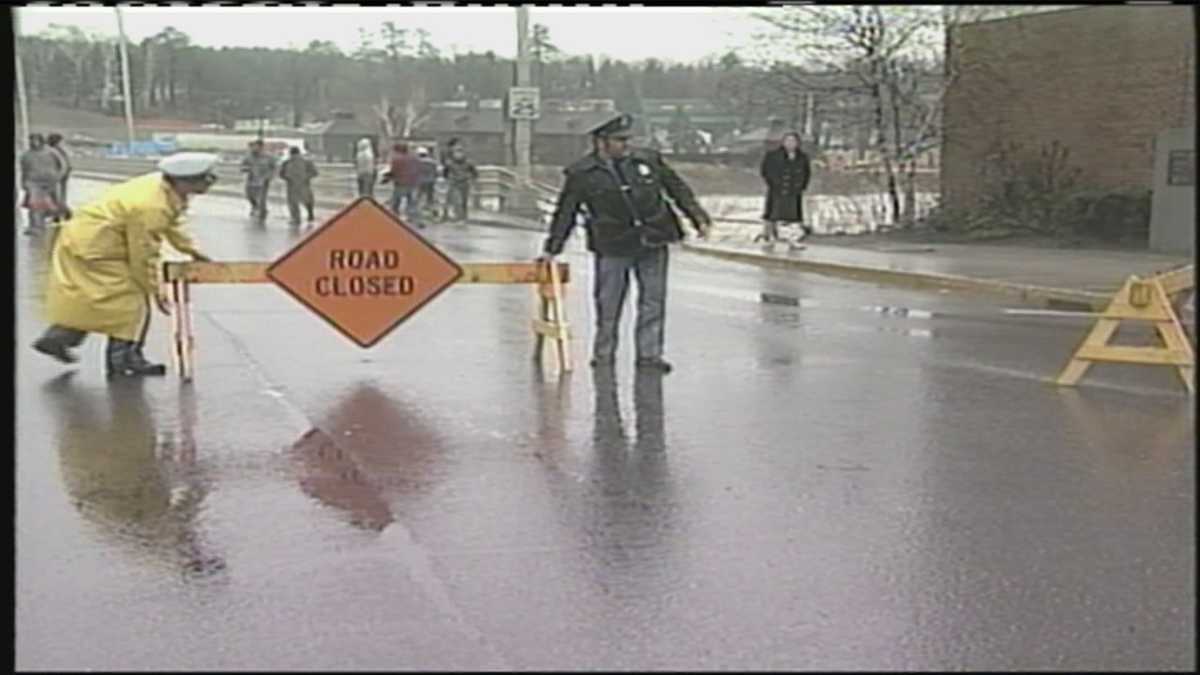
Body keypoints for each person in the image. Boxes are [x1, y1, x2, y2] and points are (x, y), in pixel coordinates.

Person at [537, 113, 713, 374]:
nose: (625, 145)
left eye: (626, 139)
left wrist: (698, 217)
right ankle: (604, 354)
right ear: (601, 142)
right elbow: (567, 212)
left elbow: (677, 188)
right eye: (619, 140)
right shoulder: (582, 173)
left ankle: (650, 355)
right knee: (609, 303)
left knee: (653, 301)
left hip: (653, 238)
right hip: (613, 244)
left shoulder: (647, 160)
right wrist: (553, 248)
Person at [31, 152, 217, 377]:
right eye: (205, 179)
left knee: (95, 301)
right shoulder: (150, 206)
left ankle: (57, 338)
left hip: (90, 238)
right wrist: (155, 289)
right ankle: (124, 360)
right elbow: (144, 256)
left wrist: (194, 251)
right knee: (131, 303)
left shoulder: (162, 188)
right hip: (96, 247)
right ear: (184, 181)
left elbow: (172, 224)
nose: (210, 183)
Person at [758, 131, 812, 247]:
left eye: (793, 141)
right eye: (788, 141)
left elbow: (807, 173)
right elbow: (765, 170)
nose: (790, 143)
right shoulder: (773, 155)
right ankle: (770, 238)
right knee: (773, 215)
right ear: (783, 142)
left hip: (794, 191)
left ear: (797, 143)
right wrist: (773, 182)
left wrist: (802, 186)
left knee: (793, 218)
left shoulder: (802, 157)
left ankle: (793, 240)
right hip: (777, 190)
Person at [19, 133, 65, 234]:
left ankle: (45, 221)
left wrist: (58, 177)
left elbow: (62, 165)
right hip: (33, 183)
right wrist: (23, 182)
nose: (34, 142)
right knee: (34, 205)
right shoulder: (26, 155)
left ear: (41, 140)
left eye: (36, 140)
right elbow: (24, 170)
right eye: (31, 140)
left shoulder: (52, 153)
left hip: (49, 182)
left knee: (50, 205)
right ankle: (35, 227)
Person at [382, 142, 424, 227]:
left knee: (396, 202)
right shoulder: (415, 158)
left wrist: (386, 178)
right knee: (413, 203)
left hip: (401, 183)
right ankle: (417, 220)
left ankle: (394, 218)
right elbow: (419, 169)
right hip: (414, 183)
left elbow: (394, 172)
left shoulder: (397, 159)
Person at [279, 146, 318, 227]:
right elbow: (281, 173)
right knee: (298, 202)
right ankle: (299, 217)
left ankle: (304, 216)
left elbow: (314, 172)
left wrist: (305, 177)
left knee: (301, 201)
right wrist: (287, 177)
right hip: (296, 185)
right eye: (293, 155)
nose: (294, 157)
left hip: (299, 185)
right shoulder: (288, 162)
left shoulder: (305, 162)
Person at [240, 140, 277, 223]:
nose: (254, 148)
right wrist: (245, 169)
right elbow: (242, 166)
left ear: (261, 147)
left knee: (261, 198)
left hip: (263, 180)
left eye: (256, 146)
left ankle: (262, 213)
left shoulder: (269, 157)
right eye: (253, 147)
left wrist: (269, 176)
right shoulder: (248, 157)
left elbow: (274, 168)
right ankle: (255, 206)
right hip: (251, 180)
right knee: (249, 196)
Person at [442, 142, 478, 222]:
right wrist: (446, 178)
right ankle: (458, 216)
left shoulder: (468, 162)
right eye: (457, 152)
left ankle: (464, 216)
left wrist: (473, 179)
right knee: (457, 200)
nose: (458, 154)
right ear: (453, 153)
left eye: (460, 152)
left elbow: (474, 172)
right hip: (454, 183)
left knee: (464, 201)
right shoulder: (450, 163)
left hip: (464, 183)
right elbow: (445, 172)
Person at [47, 132, 73, 221]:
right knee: (58, 197)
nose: (63, 143)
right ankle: (62, 213)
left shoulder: (55, 151)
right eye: (61, 142)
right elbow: (64, 165)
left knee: (56, 197)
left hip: (59, 177)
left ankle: (60, 214)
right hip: (60, 177)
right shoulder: (55, 151)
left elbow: (63, 165)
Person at [415, 146, 440, 221]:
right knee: (430, 198)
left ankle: (416, 212)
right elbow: (436, 172)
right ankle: (434, 212)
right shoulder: (433, 162)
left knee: (418, 197)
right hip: (431, 181)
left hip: (420, 181)